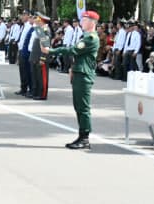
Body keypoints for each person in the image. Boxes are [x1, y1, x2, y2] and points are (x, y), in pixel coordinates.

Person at [45, 10, 101, 149]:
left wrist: (51, 51)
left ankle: (85, 138)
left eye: (84, 20)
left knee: (83, 107)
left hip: (84, 75)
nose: (81, 22)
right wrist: (72, 68)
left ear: (92, 22)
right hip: (79, 73)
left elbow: (73, 50)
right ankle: (82, 136)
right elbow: (78, 55)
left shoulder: (91, 38)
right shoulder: (86, 36)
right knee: (78, 106)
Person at [27, 13, 51, 100]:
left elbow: (46, 46)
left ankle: (42, 94)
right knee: (36, 77)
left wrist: (42, 58)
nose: (36, 21)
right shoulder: (39, 29)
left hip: (41, 58)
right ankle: (36, 92)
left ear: (42, 21)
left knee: (42, 77)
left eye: (38, 19)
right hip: (35, 57)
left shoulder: (45, 30)